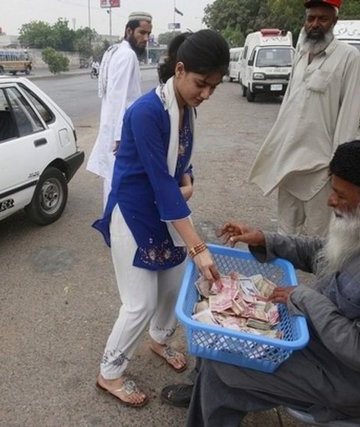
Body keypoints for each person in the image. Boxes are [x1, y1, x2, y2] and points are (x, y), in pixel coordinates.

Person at [182, 140, 360, 426]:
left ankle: (207, 403)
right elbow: (323, 252)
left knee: (221, 364)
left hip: (343, 380)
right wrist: (265, 239)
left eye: (340, 196)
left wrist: (306, 299)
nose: (330, 201)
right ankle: (205, 397)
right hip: (313, 341)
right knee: (216, 334)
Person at [92, 29, 229, 408]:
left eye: (214, 87)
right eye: (202, 84)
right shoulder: (146, 111)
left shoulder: (186, 107)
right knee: (139, 302)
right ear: (180, 69)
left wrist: (187, 179)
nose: (206, 94)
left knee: (171, 286)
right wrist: (198, 246)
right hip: (135, 214)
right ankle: (110, 373)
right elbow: (158, 180)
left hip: (166, 212)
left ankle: (159, 339)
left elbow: (181, 160)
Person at [248, 0, 360, 237]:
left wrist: (339, 166)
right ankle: (288, 274)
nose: (315, 24)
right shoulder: (301, 55)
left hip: (321, 168)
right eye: (311, 18)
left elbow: (349, 116)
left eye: (322, 18)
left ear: (334, 21)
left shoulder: (349, 58)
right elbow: (288, 108)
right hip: (289, 165)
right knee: (285, 233)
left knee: (319, 238)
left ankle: (322, 276)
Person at [86, 11, 153, 209]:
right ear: (129, 30)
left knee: (112, 180)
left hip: (114, 127)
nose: (146, 38)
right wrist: (120, 136)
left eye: (148, 34)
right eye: (142, 33)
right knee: (119, 182)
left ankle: (113, 227)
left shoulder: (114, 50)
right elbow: (119, 97)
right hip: (121, 133)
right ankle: (115, 229)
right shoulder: (127, 55)